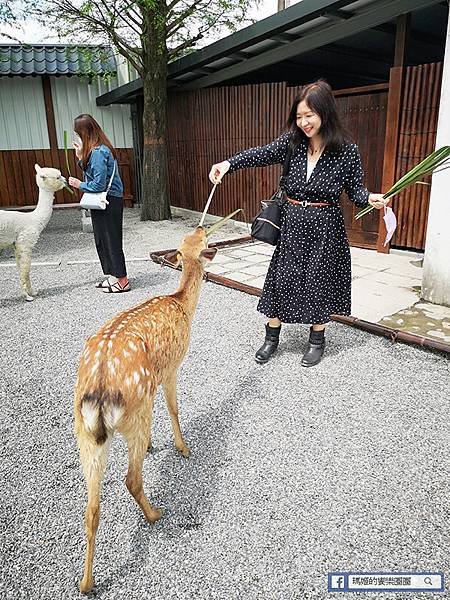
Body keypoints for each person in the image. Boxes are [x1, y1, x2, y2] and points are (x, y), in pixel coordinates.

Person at [209, 80, 387, 367]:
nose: (303, 122)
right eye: (299, 116)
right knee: (282, 279)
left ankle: (316, 340)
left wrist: (371, 198)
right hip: (292, 224)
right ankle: (271, 338)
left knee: (318, 282)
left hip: (325, 227)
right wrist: (228, 164)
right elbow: (261, 154)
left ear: (325, 113)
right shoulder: (292, 143)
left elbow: (356, 192)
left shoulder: (346, 151)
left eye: (309, 115)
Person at [68, 114, 130, 293]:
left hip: (108, 200)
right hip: (106, 200)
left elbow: (98, 184)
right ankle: (114, 276)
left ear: (85, 133)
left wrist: (79, 184)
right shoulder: (98, 150)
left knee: (111, 240)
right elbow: (94, 174)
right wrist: (80, 157)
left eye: (78, 134)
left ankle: (122, 280)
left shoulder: (98, 152)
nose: (77, 138)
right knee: (103, 240)